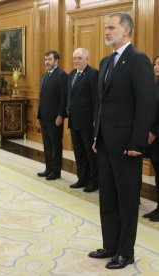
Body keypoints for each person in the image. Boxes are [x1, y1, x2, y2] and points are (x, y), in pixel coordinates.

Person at [89, 12, 156, 269]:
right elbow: (101, 104)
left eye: (111, 28)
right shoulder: (105, 61)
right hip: (105, 142)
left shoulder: (139, 60)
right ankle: (110, 245)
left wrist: (138, 143)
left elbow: (147, 104)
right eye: (105, 28)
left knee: (127, 200)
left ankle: (125, 252)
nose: (106, 32)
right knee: (107, 196)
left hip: (127, 145)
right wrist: (96, 136)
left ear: (126, 30)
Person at [67, 48, 99, 192]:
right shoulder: (72, 74)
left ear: (86, 59)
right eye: (75, 58)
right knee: (78, 151)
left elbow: (95, 99)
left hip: (87, 121)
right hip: (74, 121)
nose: (76, 61)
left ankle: (93, 181)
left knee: (89, 153)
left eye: (79, 58)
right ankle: (82, 178)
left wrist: (95, 119)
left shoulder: (93, 74)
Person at [36, 50, 67, 180]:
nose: (47, 62)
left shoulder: (61, 75)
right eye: (45, 59)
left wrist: (60, 115)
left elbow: (63, 98)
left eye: (49, 59)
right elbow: (42, 97)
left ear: (56, 60)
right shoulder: (44, 75)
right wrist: (39, 116)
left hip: (55, 118)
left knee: (55, 145)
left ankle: (56, 171)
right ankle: (48, 168)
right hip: (44, 117)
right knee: (47, 144)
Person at [143, 55, 159, 222]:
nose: (157, 66)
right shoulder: (153, 86)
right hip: (152, 138)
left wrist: (154, 132)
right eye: (155, 64)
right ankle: (157, 208)